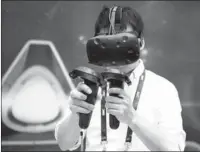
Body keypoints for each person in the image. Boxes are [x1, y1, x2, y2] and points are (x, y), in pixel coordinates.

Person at [55, 5, 186, 151]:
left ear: (140, 43)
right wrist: (75, 115)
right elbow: (64, 144)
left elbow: (174, 149)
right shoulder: (89, 87)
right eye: (106, 41)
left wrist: (133, 119)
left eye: (122, 40)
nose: (113, 48)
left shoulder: (163, 89)